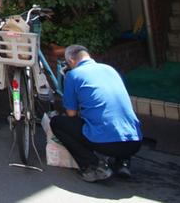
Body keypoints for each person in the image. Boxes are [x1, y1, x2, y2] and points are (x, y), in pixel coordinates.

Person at [50, 44, 143, 182]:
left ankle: (92, 166)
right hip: (135, 142)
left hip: (107, 144)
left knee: (57, 123)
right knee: (117, 117)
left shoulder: (73, 75)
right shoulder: (110, 69)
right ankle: (123, 163)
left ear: (71, 60)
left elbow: (71, 113)